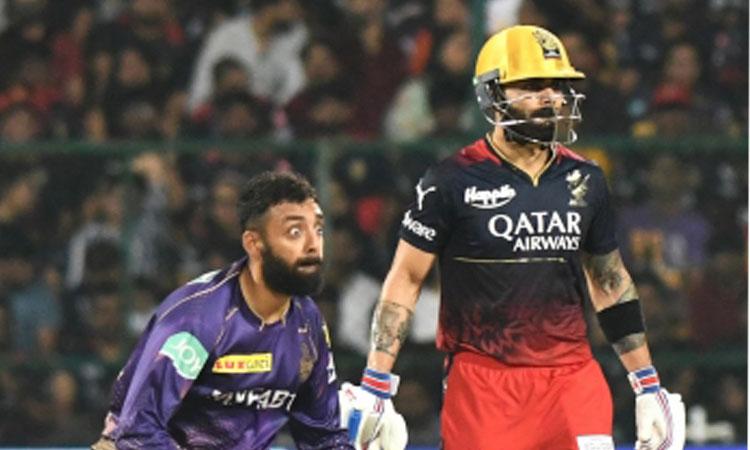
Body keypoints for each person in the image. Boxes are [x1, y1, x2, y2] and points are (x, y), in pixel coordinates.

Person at [345, 25, 686, 450]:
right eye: (532, 86)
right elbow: (407, 278)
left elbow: (609, 281)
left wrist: (647, 384)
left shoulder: (587, 178)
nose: (550, 97)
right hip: (484, 386)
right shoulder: (450, 181)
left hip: (574, 379)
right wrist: (376, 383)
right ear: (492, 95)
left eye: (557, 86)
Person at [91, 171, 352, 449]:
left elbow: (322, 436)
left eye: (318, 230)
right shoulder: (197, 318)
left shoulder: (307, 321)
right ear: (254, 244)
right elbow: (137, 432)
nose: (313, 245)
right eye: (295, 232)